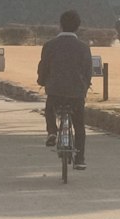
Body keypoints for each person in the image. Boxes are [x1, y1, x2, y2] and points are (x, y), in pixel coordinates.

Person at [38, 9, 94, 170]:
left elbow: (44, 68)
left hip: (55, 90)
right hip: (76, 93)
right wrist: (84, 87)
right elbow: (87, 71)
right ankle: (80, 158)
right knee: (79, 124)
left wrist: (42, 81)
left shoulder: (50, 45)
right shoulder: (83, 47)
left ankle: (52, 132)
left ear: (60, 25)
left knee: (49, 109)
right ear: (78, 27)